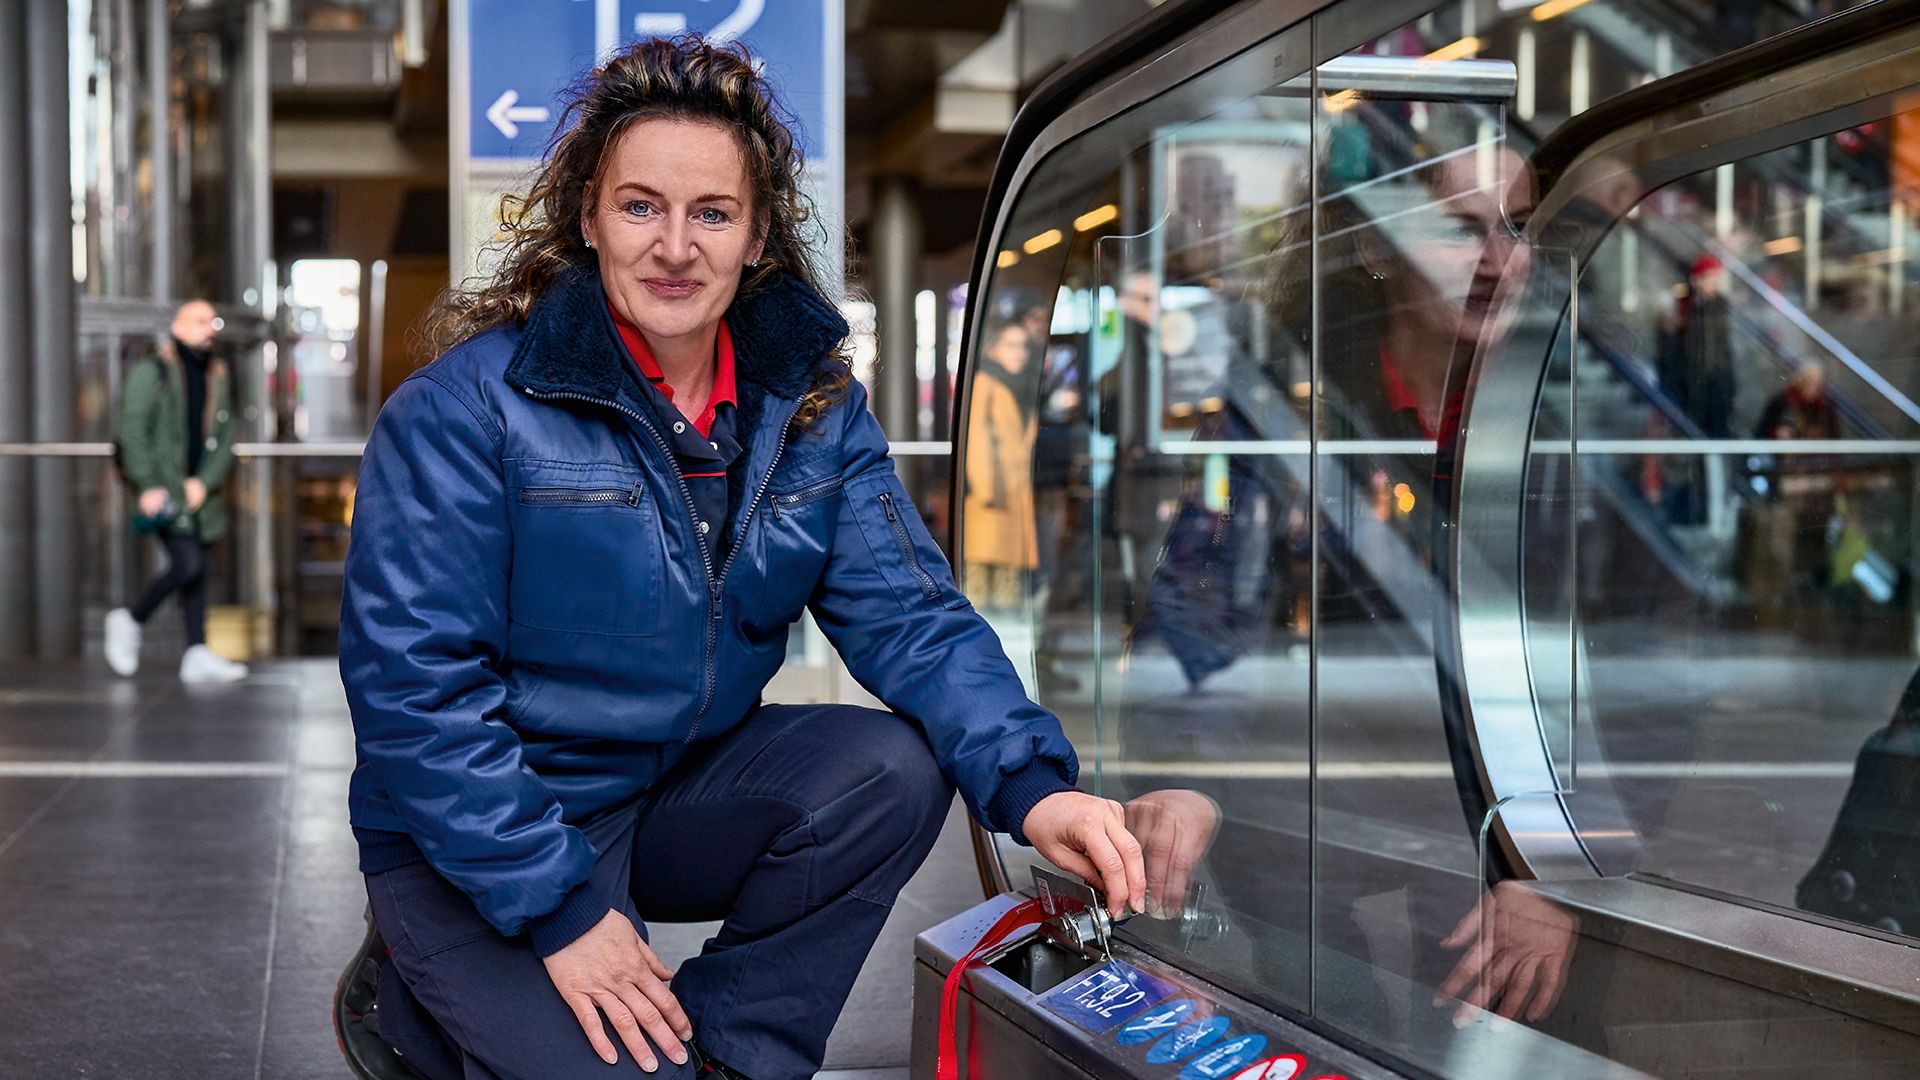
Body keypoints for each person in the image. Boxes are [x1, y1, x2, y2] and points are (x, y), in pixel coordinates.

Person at [336, 38, 1146, 1080]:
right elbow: (416, 696)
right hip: (482, 829)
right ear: (587, 217)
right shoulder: (465, 412)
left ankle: (734, 1055)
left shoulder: (807, 409)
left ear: (757, 232)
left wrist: (1038, 790)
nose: (675, 246)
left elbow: (910, 614)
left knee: (887, 771)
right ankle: (406, 993)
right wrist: (562, 909)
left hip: (667, 787)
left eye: (712, 213)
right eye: (641, 207)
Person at [103, 299, 249, 684]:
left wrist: (204, 482)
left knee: (197, 570)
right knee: (189, 564)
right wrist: (147, 484)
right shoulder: (153, 370)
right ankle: (131, 618)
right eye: (200, 321)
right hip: (165, 490)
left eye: (212, 321)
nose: (210, 328)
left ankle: (196, 650)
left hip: (201, 494)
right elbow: (131, 431)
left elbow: (227, 435)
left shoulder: (216, 372)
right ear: (178, 327)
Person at [963, 319, 1041, 613]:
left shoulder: (1021, 388)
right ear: (994, 349)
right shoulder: (986, 383)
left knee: (1009, 591)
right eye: (1011, 345)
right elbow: (977, 439)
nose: (1019, 353)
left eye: (1023, 346)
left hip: (1013, 501)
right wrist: (988, 493)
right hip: (991, 501)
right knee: (982, 592)